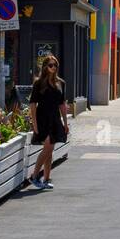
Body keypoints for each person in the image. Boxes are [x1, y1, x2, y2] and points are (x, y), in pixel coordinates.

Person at [27, 54, 70, 191]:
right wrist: (34, 124)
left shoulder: (60, 83)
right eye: (51, 65)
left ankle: (45, 179)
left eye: (55, 65)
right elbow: (33, 104)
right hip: (42, 119)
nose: (53, 67)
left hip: (55, 119)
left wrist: (65, 122)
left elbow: (62, 104)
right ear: (45, 67)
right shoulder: (38, 83)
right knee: (48, 148)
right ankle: (34, 177)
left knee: (50, 150)